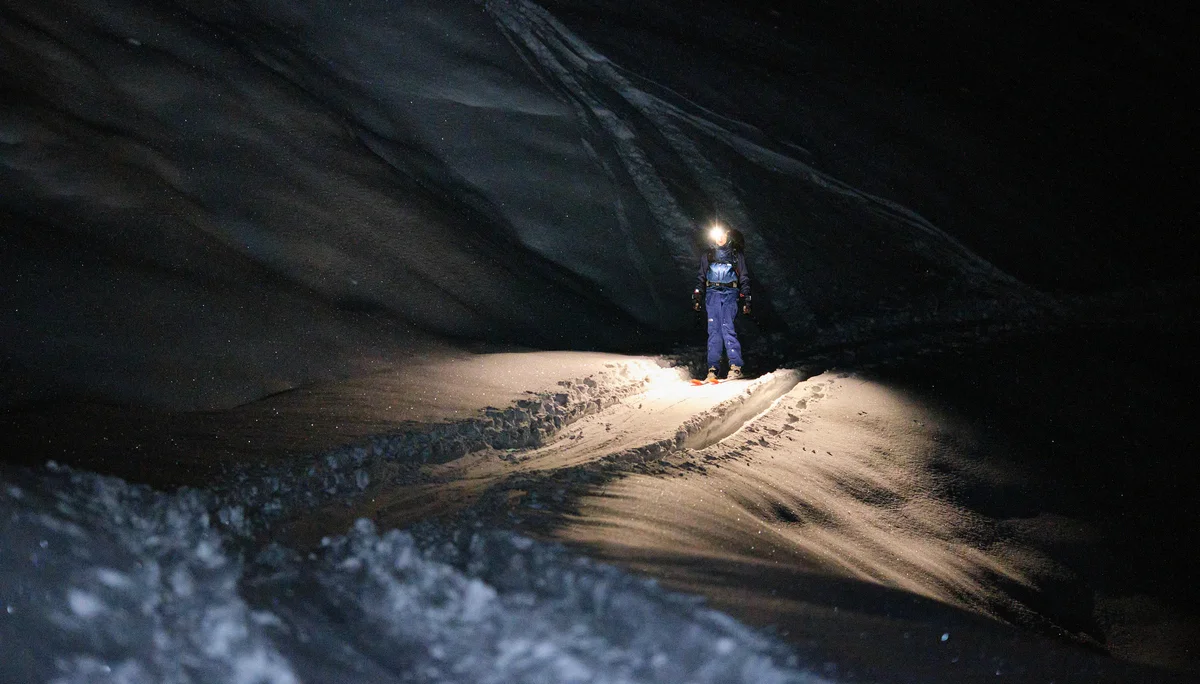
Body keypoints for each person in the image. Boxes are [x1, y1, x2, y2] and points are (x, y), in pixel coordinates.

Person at [692, 223, 751, 381]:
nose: (720, 238)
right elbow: (701, 278)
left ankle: (736, 366)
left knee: (727, 327)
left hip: (730, 293)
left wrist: (746, 298)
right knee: (714, 330)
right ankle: (713, 368)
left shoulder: (736, 255)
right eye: (716, 235)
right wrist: (697, 295)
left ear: (728, 235)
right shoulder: (708, 255)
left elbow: (744, 278)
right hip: (712, 294)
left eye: (722, 234)